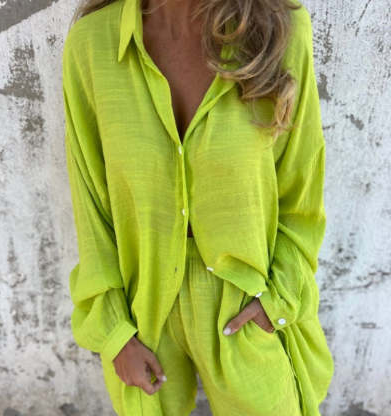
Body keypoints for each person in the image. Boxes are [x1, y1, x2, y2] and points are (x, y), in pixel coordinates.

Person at [62, 0, 335, 414]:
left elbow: (301, 194)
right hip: (143, 309)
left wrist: (276, 301)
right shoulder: (92, 45)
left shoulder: (280, 31)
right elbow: (91, 204)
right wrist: (114, 331)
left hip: (246, 299)